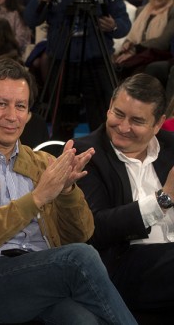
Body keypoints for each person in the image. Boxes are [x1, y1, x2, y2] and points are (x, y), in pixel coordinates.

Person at [0, 59, 137, 324]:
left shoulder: (41, 164)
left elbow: (82, 233)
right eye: (1, 104)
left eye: (21, 106)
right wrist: (36, 198)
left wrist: (67, 190)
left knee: (80, 320)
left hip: (41, 274)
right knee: (79, 258)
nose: (12, 116)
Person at [73, 73, 174, 320]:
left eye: (137, 121)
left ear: (158, 124)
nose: (123, 127)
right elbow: (95, 227)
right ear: (109, 107)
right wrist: (164, 198)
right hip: (124, 263)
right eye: (118, 114)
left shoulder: (171, 146)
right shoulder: (85, 153)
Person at [24, 0, 131, 140]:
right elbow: (31, 19)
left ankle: (104, 156)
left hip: (96, 58)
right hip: (62, 60)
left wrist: (113, 25)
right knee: (60, 121)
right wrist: (40, 0)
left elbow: (124, 24)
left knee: (103, 117)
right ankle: (58, 155)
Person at [114, 0, 174, 76]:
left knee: (136, 70)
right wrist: (127, 44)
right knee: (114, 62)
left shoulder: (172, 11)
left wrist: (134, 50)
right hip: (140, 54)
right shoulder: (141, 10)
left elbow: (163, 42)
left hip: (160, 55)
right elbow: (131, 36)